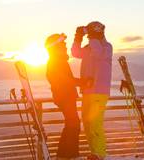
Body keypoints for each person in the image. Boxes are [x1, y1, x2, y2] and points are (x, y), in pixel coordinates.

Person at [71, 21, 113, 160]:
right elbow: (75, 53)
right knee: (87, 123)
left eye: (92, 31)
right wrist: (78, 37)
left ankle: (100, 154)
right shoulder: (90, 47)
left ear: (99, 32)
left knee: (95, 123)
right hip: (87, 90)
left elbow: (99, 54)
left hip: (100, 91)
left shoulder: (106, 47)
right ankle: (94, 153)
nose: (90, 35)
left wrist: (93, 37)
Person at [45, 33, 86, 160]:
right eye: (62, 44)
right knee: (73, 124)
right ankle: (69, 155)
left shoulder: (58, 60)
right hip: (64, 96)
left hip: (65, 96)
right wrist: (82, 82)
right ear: (55, 46)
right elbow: (64, 80)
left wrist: (80, 82)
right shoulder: (55, 61)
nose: (65, 46)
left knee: (72, 124)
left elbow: (64, 79)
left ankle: (66, 155)